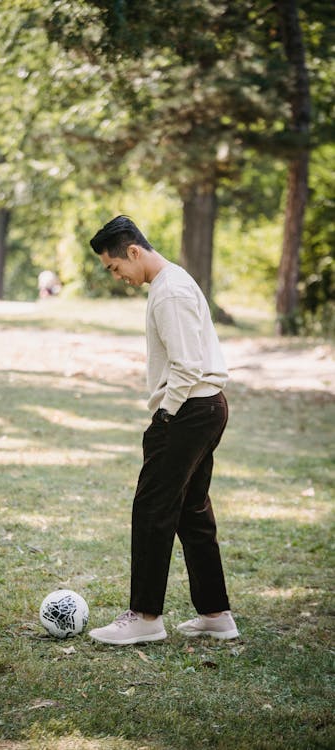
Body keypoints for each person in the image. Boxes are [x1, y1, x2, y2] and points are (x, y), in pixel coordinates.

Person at [88, 215, 238, 646]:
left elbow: (187, 364)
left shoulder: (169, 291)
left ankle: (145, 616)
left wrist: (165, 416)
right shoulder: (173, 282)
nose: (119, 277)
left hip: (189, 409)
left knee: (152, 508)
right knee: (191, 511)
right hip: (206, 406)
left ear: (132, 251)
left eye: (116, 268)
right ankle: (216, 614)